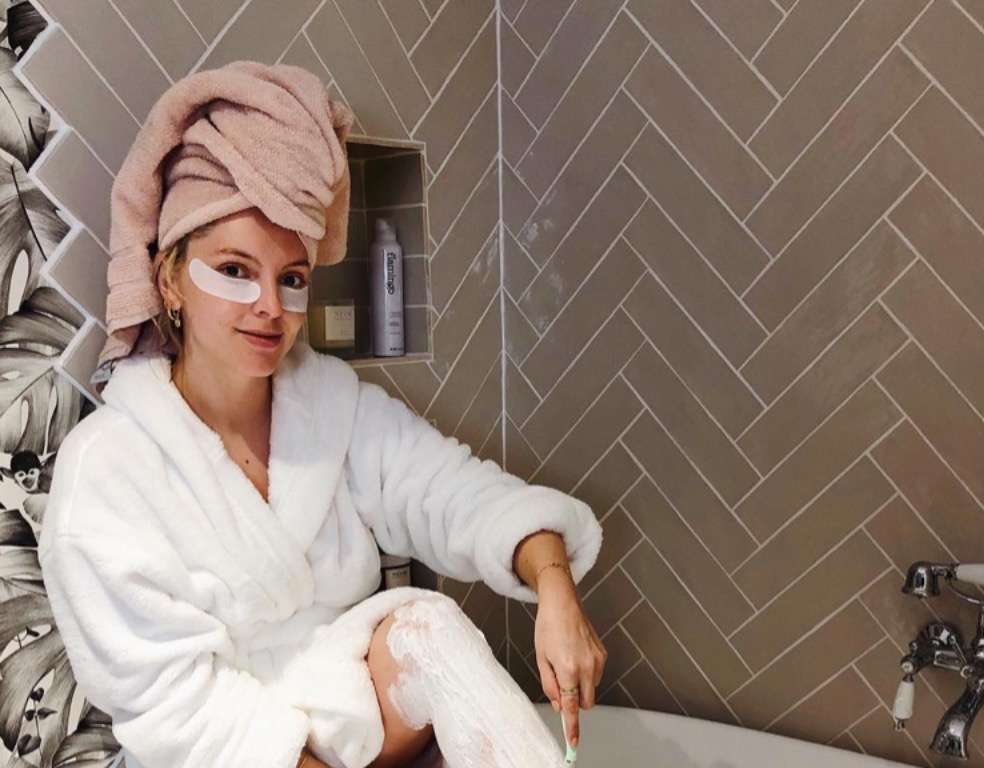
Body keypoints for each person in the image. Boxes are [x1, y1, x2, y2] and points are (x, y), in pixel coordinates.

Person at [36, 61, 606, 768]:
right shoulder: (107, 471)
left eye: (292, 278)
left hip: (343, 717)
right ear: (170, 279)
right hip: (221, 757)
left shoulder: (332, 412)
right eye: (235, 270)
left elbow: (454, 492)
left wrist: (554, 586)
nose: (270, 307)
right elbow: (180, 714)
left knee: (429, 626)